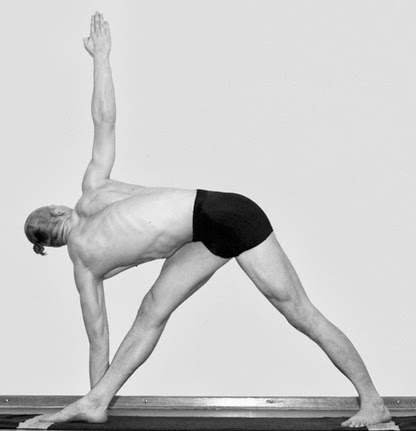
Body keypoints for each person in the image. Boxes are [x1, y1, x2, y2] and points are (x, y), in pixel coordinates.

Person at [24, 12, 391, 428]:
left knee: (297, 311)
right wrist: (102, 58)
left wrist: (101, 59)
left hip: (223, 217)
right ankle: (96, 402)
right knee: (152, 310)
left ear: (49, 243)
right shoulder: (93, 191)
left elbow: (98, 338)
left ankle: (373, 402)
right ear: (57, 212)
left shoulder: (86, 262)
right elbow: (104, 120)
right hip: (210, 226)